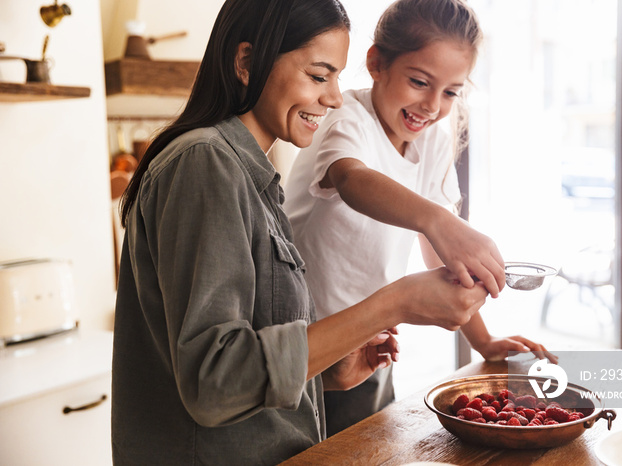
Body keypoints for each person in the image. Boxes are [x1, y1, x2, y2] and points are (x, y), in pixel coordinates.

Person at [111, 0, 490, 464]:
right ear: (247, 63)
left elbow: (248, 360)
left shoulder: (250, 177)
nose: (333, 97)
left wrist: (327, 371)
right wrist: (396, 302)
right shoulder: (204, 163)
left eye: (335, 78)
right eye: (318, 75)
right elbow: (214, 383)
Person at [284, 0, 555, 436]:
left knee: (370, 443)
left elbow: (441, 257)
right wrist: (439, 221)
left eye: (450, 92)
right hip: (305, 347)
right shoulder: (346, 118)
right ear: (376, 63)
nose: (431, 105)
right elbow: (353, 179)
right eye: (418, 82)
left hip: (368, 344)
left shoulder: (429, 142)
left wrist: (482, 341)